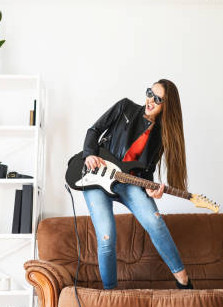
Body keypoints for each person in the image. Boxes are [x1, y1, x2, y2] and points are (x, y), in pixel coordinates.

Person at [81, 79, 192, 290]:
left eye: (158, 99)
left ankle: (184, 280)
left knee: (155, 221)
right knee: (106, 236)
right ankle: (111, 295)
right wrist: (89, 155)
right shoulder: (125, 107)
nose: (150, 100)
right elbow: (94, 130)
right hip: (97, 176)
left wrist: (151, 189)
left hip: (128, 182)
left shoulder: (163, 136)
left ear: (167, 106)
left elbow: (146, 170)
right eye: (150, 93)